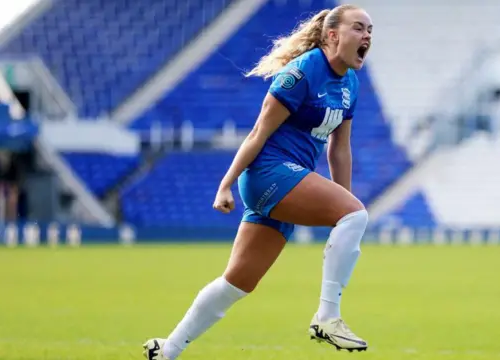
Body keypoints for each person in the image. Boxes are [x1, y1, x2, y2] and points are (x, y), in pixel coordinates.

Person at [143, 4, 373, 359]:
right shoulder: (302, 72)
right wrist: (225, 184)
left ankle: (167, 349)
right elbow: (257, 133)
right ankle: (327, 317)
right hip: (269, 172)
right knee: (356, 214)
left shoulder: (351, 84)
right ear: (332, 35)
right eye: (359, 28)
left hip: (289, 179)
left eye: (370, 31)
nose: (367, 36)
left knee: (236, 283)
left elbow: (339, 150)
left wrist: (341, 204)